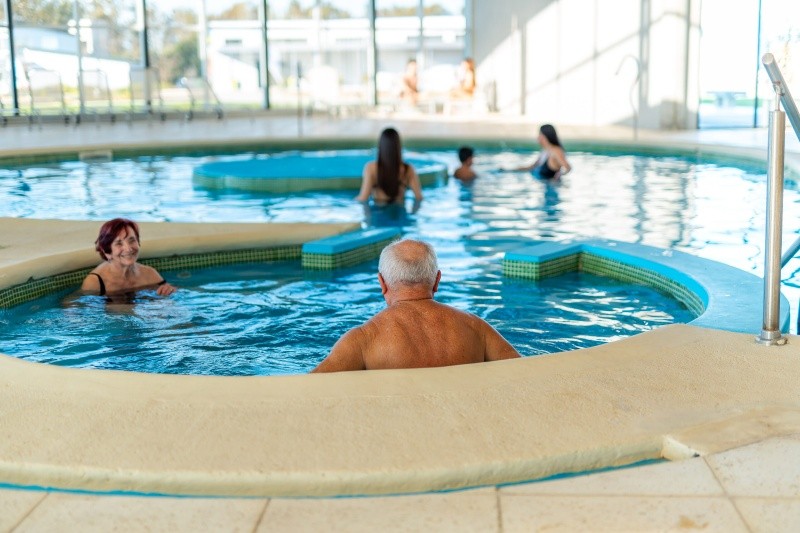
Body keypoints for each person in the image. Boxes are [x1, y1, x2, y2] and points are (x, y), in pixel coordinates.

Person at [311, 239, 521, 372]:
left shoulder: (363, 340)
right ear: (437, 280)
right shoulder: (476, 328)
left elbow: (307, 390)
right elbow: (524, 372)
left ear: (382, 283)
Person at [81, 218, 176, 297]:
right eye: (119, 243)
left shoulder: (150, 274)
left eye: (132, 240)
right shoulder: (95, 282)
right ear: (107, 252)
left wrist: (169, 291)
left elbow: (172, 293)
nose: (128, 249)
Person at [357, 127, 423, 204]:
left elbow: (363, 198)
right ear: (398, 146)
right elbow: (419, 197)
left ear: (381, 146)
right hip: (400, 212)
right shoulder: (408, 169)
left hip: (378, 212)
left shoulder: (371, 168)